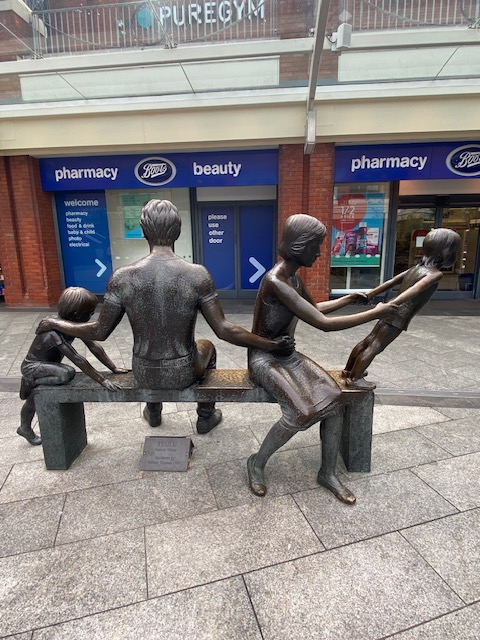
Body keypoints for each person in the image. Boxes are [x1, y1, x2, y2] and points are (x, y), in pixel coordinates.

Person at [36, 199, 291, 435]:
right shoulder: (197, 275)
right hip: (182, 371)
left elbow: (98, 332)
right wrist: (270, 344)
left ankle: (154, 412)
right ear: (177, 232)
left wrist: (55, 322)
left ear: (144, 231)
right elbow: (224, 329)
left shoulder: (122, 277)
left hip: (143, 372)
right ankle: (205, 416)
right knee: (208, 347)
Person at [247, 214, 398, 504]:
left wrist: (348, 299)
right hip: (263, 359)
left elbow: (315, 309)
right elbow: (322, 324)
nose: (318, 252)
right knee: (300, 412)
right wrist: (376, 313)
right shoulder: (276, 281)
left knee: (334, 400)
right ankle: (257, 462)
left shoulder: (293, 278)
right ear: (299, 245)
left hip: (287, 355)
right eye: (315, 246)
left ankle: (327, 473)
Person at [342, 227, 461, 390]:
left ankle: (349, 371)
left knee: (368, 341)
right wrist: (394, 304)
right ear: (447, 253)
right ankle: (355, 379)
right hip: (399, 314)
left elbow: (391, 282)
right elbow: (416, 289)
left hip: (391, 309)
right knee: (376, 345)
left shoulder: (416, 268)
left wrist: (371, 294)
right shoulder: (435, 274)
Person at [18, 287, 127, 446]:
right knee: (66, 373)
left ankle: (24, 425)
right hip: (33, 366)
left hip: (49, 365)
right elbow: (76, 358)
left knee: (35, 395)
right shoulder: (53, 332)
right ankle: (32, 382)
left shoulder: (71, 325)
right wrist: (102, 380)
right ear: (77, 314)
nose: (92, 316)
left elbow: (94, 346)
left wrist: (113, 368)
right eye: (90, 313)